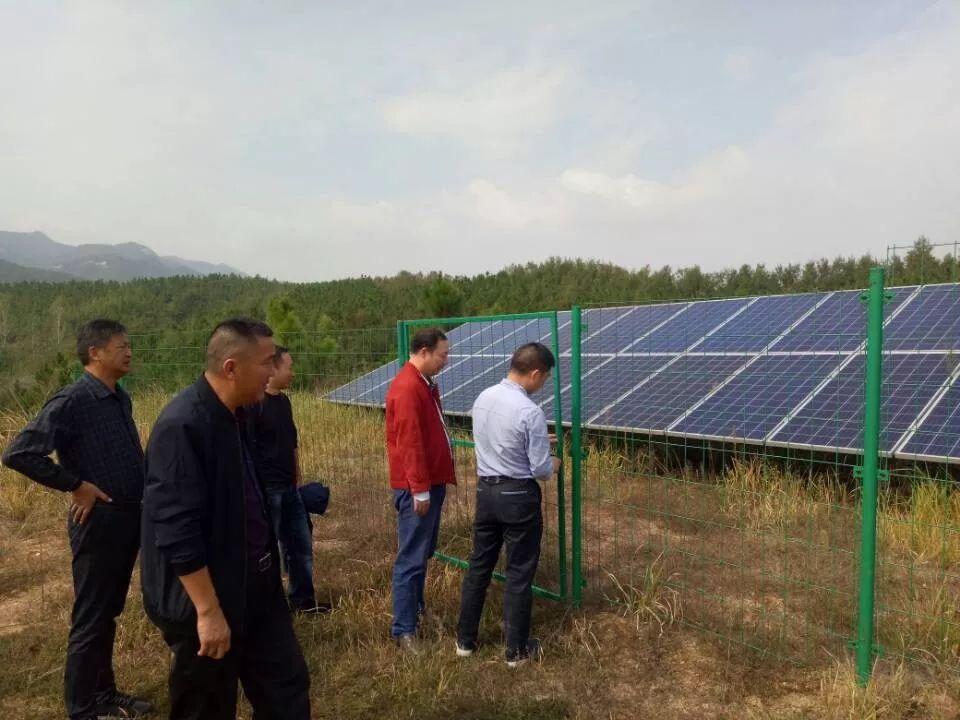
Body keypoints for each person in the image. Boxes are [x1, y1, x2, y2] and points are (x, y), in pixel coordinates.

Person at [141, 319, 310, 720]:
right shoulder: (183, 426)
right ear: (231, 367)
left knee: (286, 690)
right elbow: (176, 529)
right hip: (209, 596)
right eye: (266, 362)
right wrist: (207, 611)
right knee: (207, 705)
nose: (272, 371)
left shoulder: (241, 414)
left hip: (258, 586)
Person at [2, 320, 152, 720]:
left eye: (130, 345)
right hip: (99, 522)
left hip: (128, 516)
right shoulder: (73, 399)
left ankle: (104, 693)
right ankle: (82, 708)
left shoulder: (118, 396)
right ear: (95, 352)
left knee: (108, 612)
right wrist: (75, 485)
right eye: (121, 346)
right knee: (92, 615)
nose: (129, 352)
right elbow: (19, 453)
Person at [455, 342, 561, 667]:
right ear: (535, 373)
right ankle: (516, 651)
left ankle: (465, 641)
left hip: (486, 492)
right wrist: (554, 462)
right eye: (545, 378)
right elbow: (540, 470)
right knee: (518, 573)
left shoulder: (483, 398)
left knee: (479, 566)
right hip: (518, 498)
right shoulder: (529, 411)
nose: (543, 384)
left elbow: (497, 439)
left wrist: (537, 440)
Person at [385, 327, 456, 651]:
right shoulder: (407, 388)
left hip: (430, 483)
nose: (446, 360)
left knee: (422, 552)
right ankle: (404, 630)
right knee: (411, 557)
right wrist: (420, 489)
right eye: (443, 354)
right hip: (418, 488)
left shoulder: (423, 384)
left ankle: (416, 609)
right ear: (424, 351)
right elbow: (409, 442)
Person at [248, 345, 326, 613]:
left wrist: (297, 477)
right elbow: (249, 450)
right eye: (289, 367)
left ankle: (303, 601)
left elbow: (292, 442)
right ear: (273, 369)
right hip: (267, 491)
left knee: (300, 545)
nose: (293, 373)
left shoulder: (283, 402)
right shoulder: (254, 405)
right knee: (266, 550)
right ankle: (268, 606)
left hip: (290, 488)